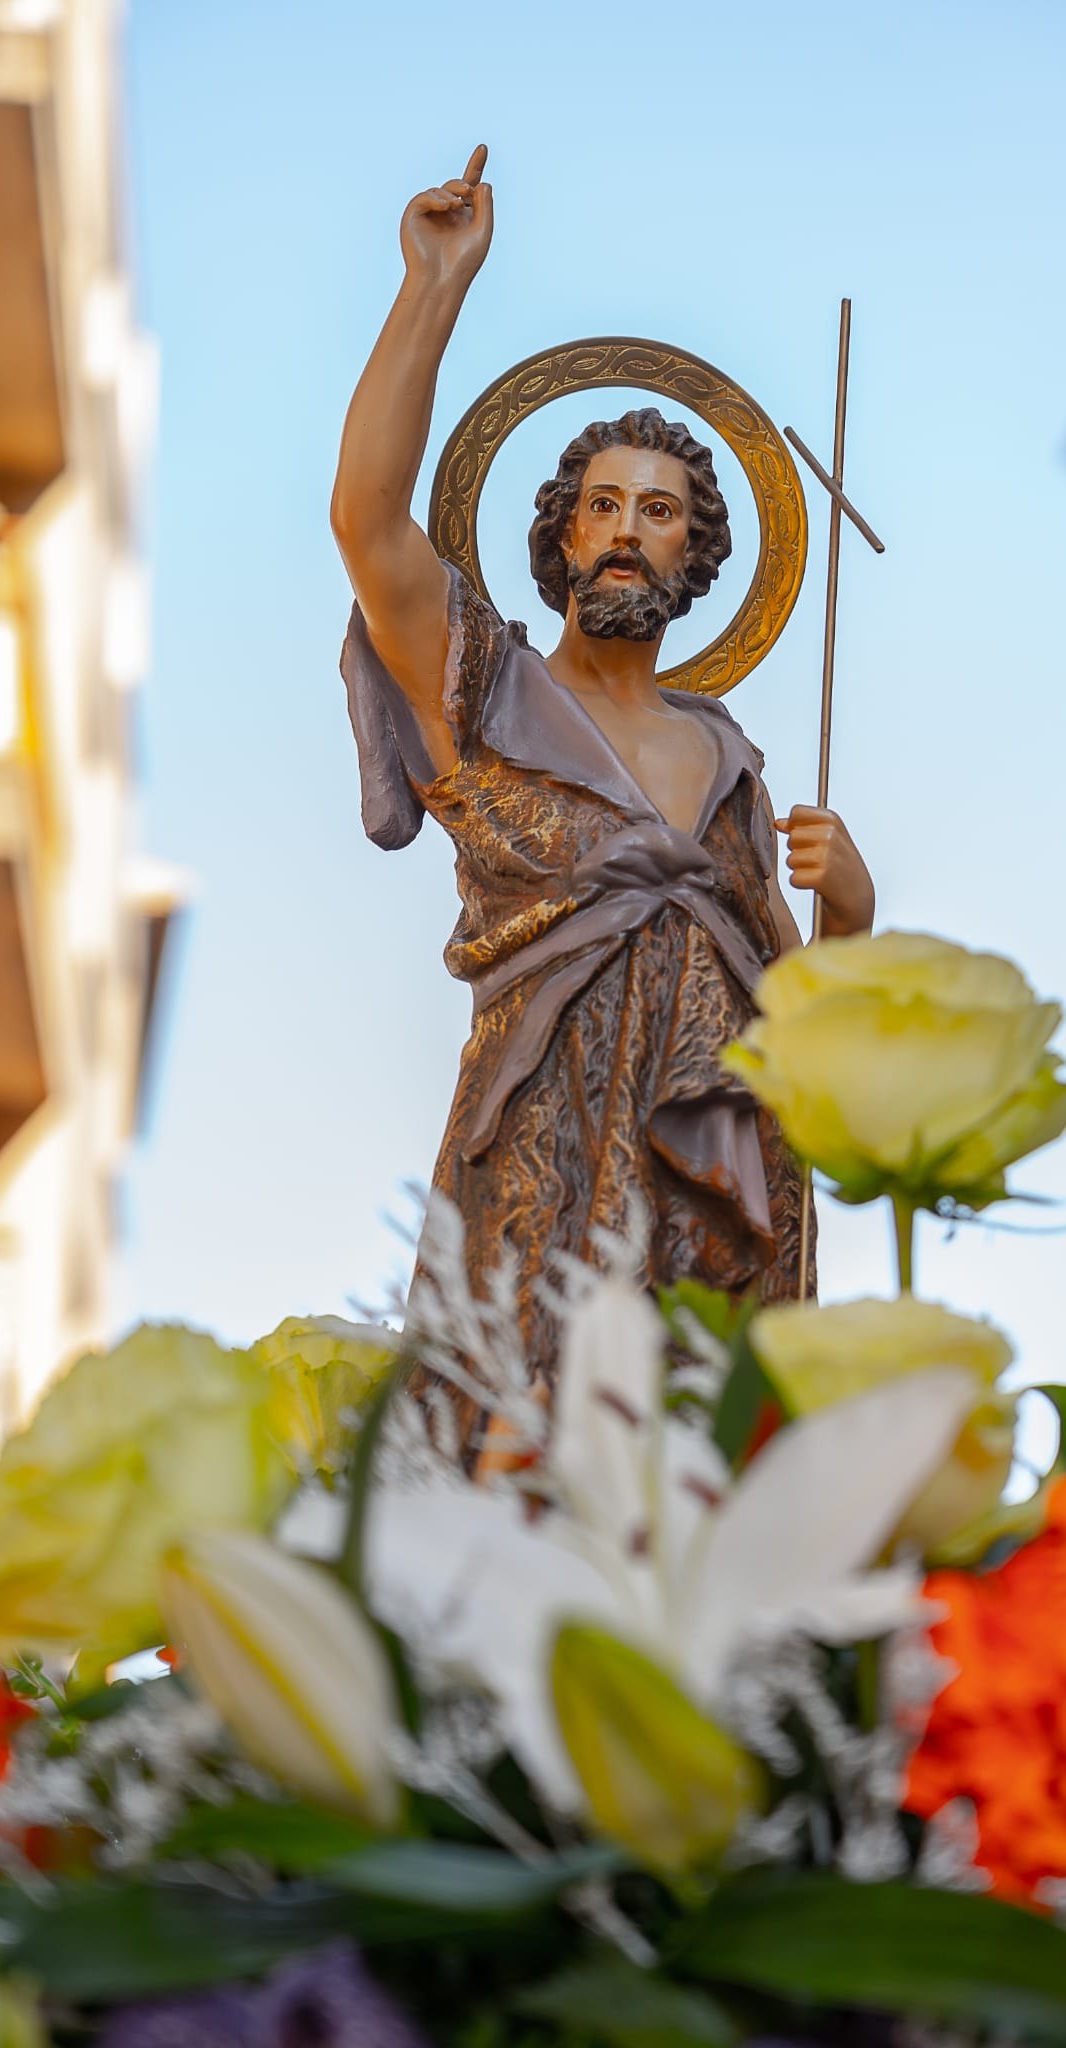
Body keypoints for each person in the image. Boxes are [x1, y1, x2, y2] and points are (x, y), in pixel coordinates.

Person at [330, 147, 874, 1411]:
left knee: (695, 1458)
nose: (631, 527)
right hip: (542, 1156)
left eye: (664, 512)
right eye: (606, 504)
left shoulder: (728, 762)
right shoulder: (488, 690)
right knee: (517, 1436)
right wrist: (434, 287)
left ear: (697, 558)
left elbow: (806, 1021)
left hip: (725, 1166)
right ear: (563, 530)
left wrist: (848, 907)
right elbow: (366, 518)